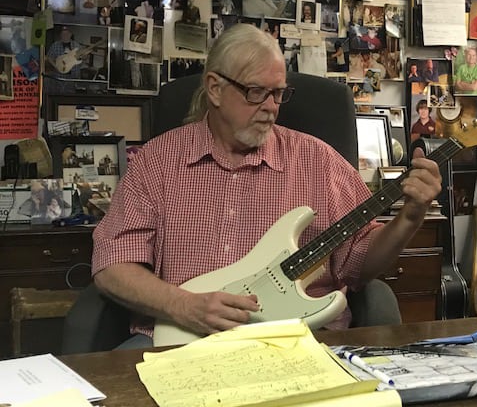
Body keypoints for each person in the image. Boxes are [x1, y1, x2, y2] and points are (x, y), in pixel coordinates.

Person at [91, 23, 442, 348]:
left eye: (278, 94)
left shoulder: (318, 161)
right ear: (214, 88)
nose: (271, 108)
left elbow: (360, 263)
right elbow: (112, 265)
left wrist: (409, 218)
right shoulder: (157, 162)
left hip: (294, 342)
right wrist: (182, 305)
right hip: (181, 339)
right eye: (257, 92)